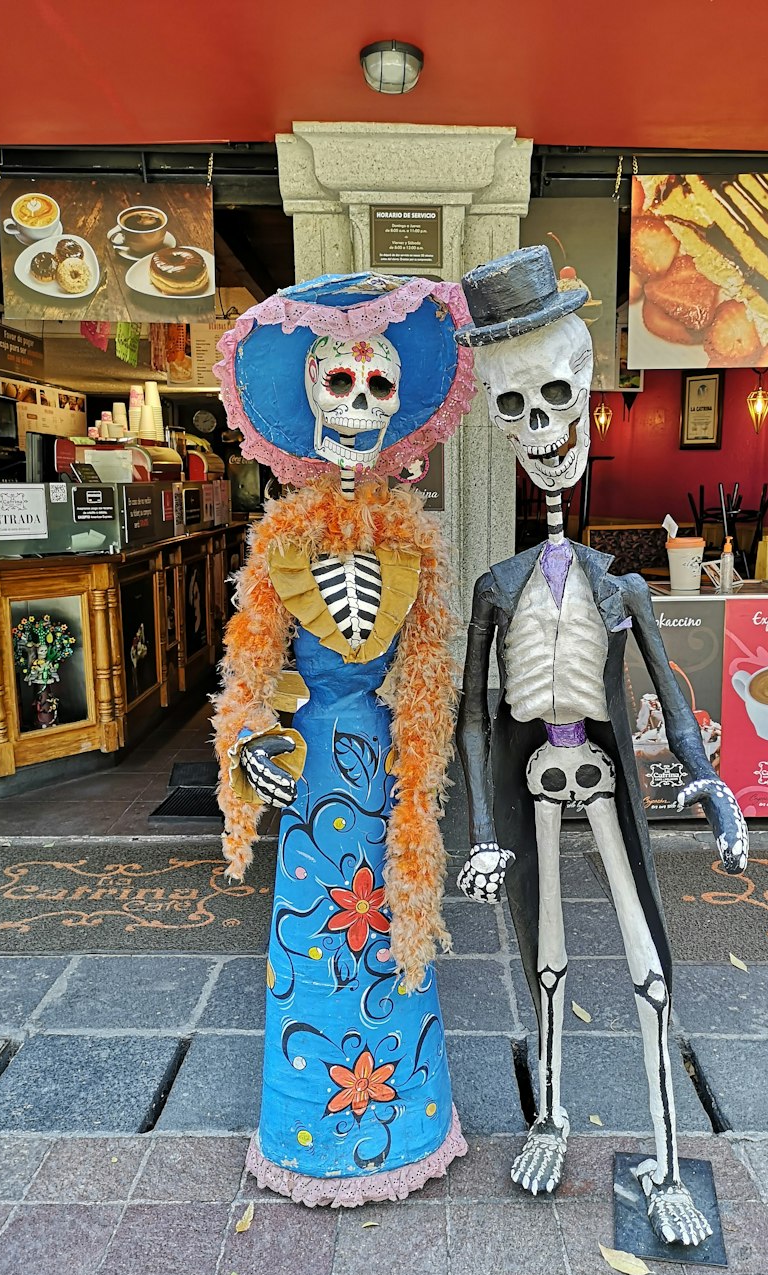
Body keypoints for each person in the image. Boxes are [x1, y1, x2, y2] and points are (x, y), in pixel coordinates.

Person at [212, 272, 475, 1205]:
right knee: (316, 942)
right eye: (341, 382)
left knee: (395, 935)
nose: (359, 405)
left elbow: (435, 680)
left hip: (385, 781)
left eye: (377, 387)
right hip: (311, 774)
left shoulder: (415, 546)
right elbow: (246, 675)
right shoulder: (279, 540)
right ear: (307, 397)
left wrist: (434, 781)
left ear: (400, 408)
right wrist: (247, 744)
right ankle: (311, 1136)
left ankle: (404, 1124)